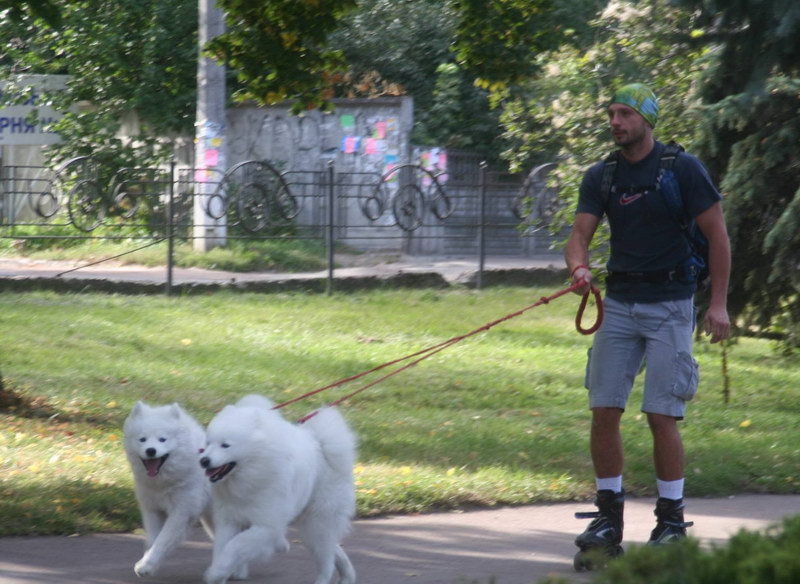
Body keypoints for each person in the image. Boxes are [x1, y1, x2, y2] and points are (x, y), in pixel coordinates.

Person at [564, 83, 731, 557]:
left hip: (671, 305)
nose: (615, 122)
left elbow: (718, 236)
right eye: (611, 114)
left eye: (625, 113)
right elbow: (578, 236)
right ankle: (607, 521)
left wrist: (718, 304)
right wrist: (578, 268)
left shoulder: (683, 169)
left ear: (647, 119)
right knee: (603, 408)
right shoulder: (602, 175)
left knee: (661, 414)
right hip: (619, 304)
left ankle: (671, 522)